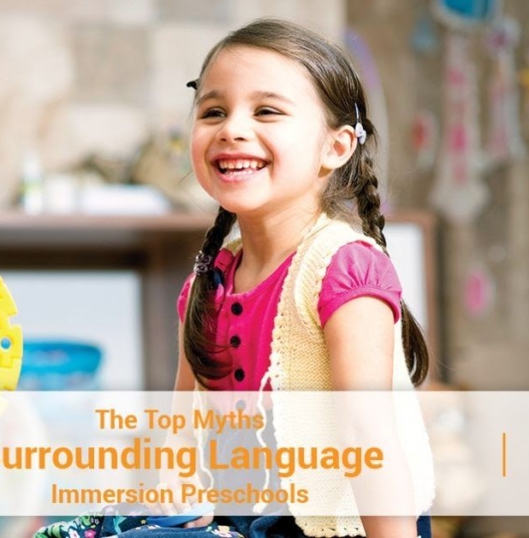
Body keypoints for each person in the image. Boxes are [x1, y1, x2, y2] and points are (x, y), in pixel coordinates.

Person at [163, 17, 434, 538]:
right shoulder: (208, 281)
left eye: (267, 110)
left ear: (336, 147)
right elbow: (184, 418)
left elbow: (367, 433)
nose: (232, 128)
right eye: (213, 111)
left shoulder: (343, 267)